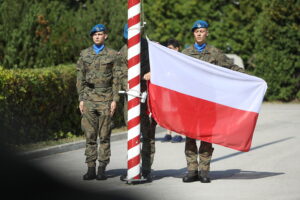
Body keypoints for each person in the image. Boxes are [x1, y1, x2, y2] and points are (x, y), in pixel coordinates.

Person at [181, 20, 244, 183]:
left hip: (208, 102)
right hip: (190, 102)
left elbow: (231, 68)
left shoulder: (215, 53)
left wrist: (248, 77)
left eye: (202, 31)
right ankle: (191, 170)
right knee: (190, 137)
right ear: (193, 34)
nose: (199, 33)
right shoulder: (185, 53)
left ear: (207, 33)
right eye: (196, 31)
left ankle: (204, 171)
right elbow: (175, 72)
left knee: (207, 137)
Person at [76, 24, 121, 181]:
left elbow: (116, 79)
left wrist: (115, 100)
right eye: (94, 34)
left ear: (105, 36)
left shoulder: (113, 55)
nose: (97, 36)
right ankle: (90, 168)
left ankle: (102, 167)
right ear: (91, 37)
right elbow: (80, 78)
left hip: (106, 98)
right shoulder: (84, 54)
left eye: (100, 34)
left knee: (104, 136)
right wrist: (81, 98)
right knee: (89, 135)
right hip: (89, 98)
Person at [119, 24, 155, 182]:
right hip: (131, 98)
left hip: (148, 97)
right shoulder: (122, 52)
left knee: (148, 135)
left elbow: (158, 66)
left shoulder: (149, 47)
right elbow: (120, 75)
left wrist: (152, 73)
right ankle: (132, 167)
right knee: (132, 135)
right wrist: (136, 79)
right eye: (127, 39)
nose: (130, 41)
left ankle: (146, 168)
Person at [161, 39, 183, 143]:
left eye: (170, 48)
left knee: (178, 112)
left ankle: (179, 133)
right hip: (168, 89)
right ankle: (168, 132)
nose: (168, 50)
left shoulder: (182, 60)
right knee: (169, 111)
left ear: (177, 49)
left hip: (179, 89)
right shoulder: (166, 60)